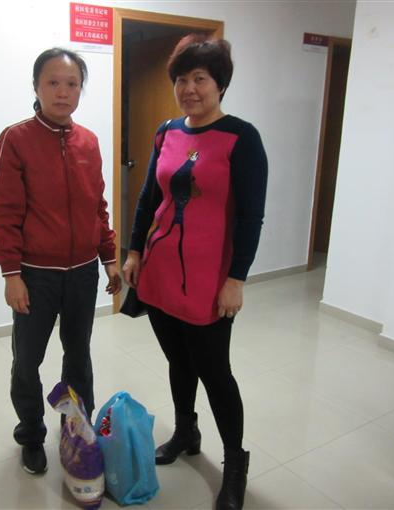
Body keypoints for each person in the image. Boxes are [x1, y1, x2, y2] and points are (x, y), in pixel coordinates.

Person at [122, 34, 268, 510]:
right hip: (161, 270)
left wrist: (236, 279)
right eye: (181, 79)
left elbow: (251, 217)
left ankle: (235, 464)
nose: (189, 89)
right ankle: (186, 432)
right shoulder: (166, 131)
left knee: (215, 372)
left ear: (219, 84)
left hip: (209, 281)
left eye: (200, 78)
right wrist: (134, 251)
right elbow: (149, 196)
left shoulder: (242, 138)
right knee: (178, 362)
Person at [0, 47, 121, 475]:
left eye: (72, 84)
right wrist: (11, 273)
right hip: (35, 275)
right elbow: (4, 212)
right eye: (53, 83)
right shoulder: (16, 139)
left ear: (80, 89)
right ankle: (31, 433)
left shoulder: (89, 142)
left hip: (82, 273)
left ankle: (76, 431)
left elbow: (97, 207)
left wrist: (109, 257)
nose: (63, 92)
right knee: (27, 360)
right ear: (36, 86)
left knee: (78, 356)